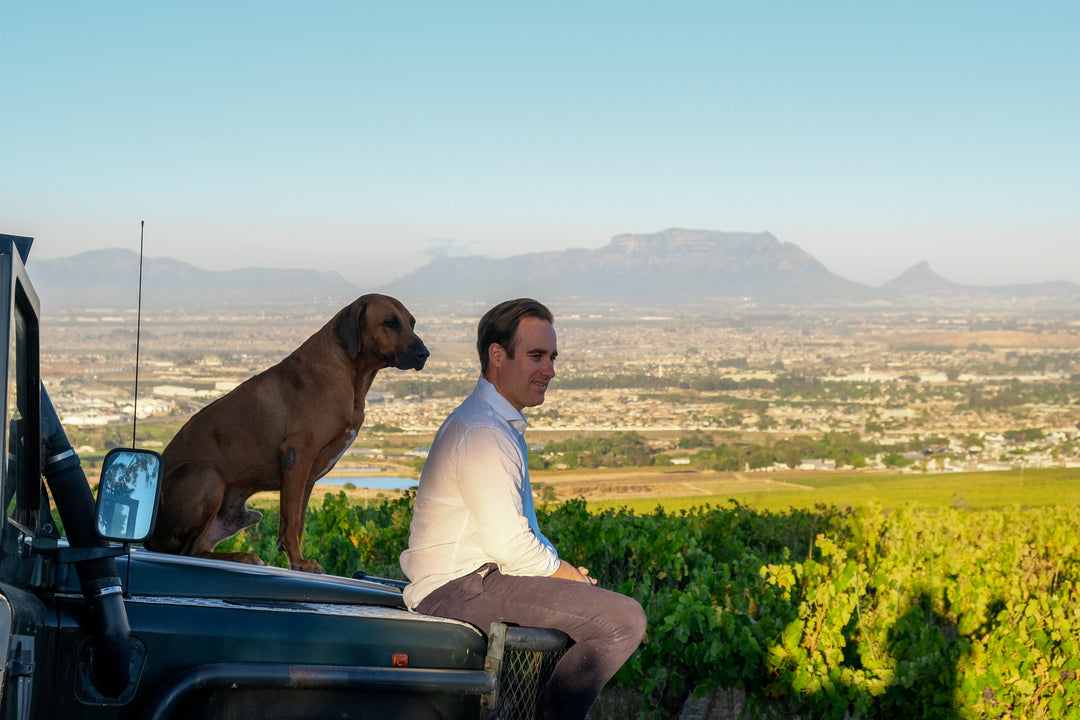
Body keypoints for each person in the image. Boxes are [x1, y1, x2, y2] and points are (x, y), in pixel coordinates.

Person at [400, 298, 646, 720]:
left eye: (552, 357)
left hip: (472, 582)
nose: (550, 370)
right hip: (460, 588)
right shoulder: (484, 431)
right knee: (624, 619)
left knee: (597, 611)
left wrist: (565, 578)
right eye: (537, 356)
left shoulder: (491, 423)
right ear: (498, 355)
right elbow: (510, 544)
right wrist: (570, 577)